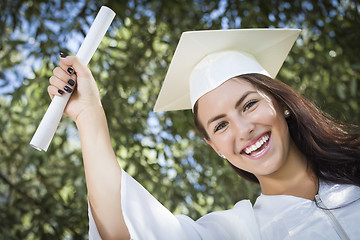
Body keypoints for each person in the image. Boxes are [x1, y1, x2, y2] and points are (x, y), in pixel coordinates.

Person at [48, 29, 360, 240]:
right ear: (215, 147)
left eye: (249, 105)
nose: (243, 130)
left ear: (281, 104)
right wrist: (88, 114)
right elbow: (126, 228)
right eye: (220, 125)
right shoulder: (237, 232)